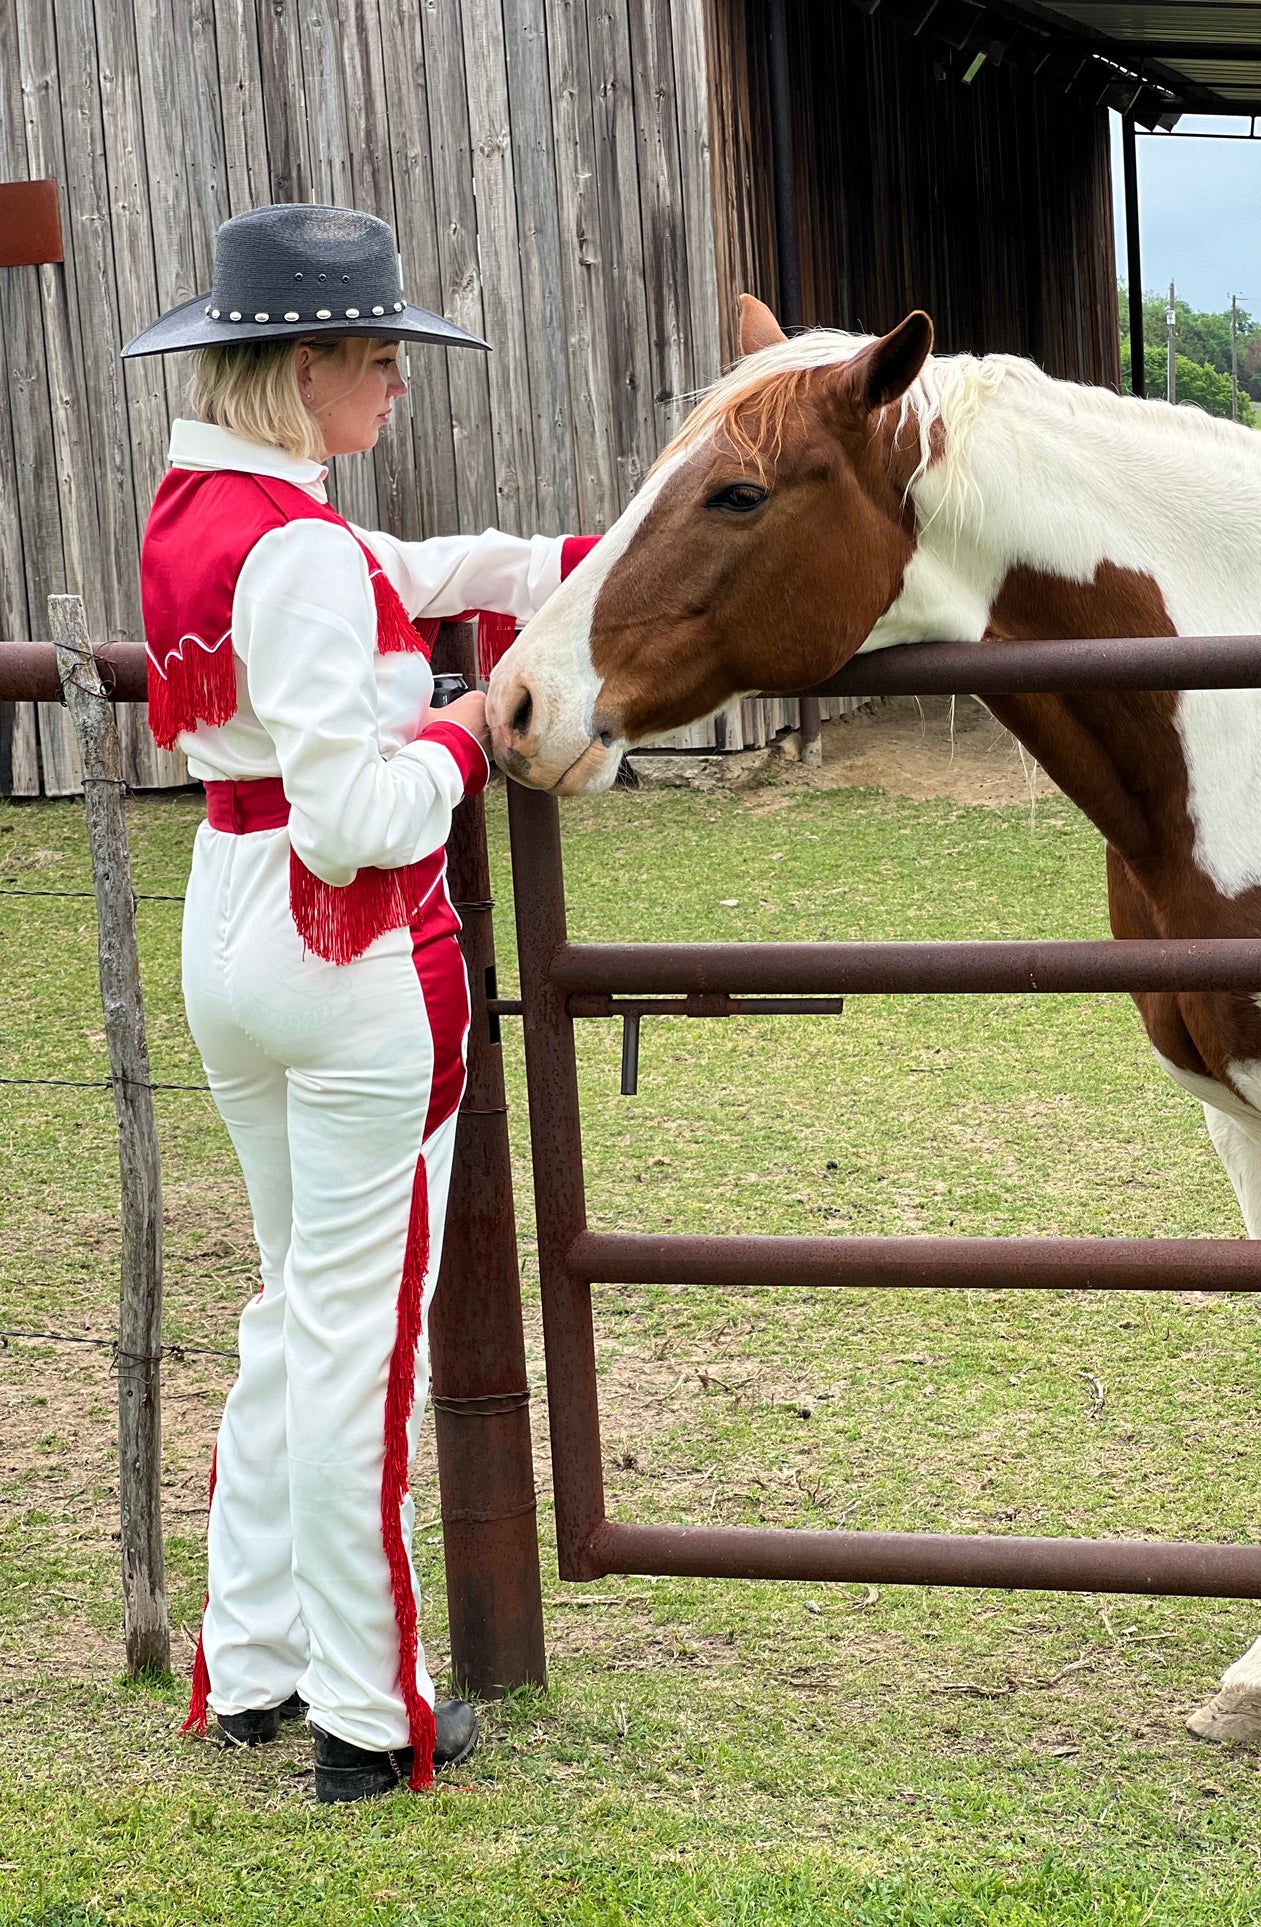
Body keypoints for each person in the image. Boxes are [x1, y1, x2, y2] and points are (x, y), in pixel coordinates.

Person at [122, 204, 595, 1804]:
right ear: (303, 367)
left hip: (231, 931)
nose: (397, 384)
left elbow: (404, 569)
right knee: (352, 1349)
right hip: (347, 949)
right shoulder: (302, 548)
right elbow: (358, 817)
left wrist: (580, 565)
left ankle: (250, 1664)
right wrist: (470, 727)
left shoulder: (206, 512)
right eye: (380, 359)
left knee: (288, 1318)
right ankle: (367, 1714)